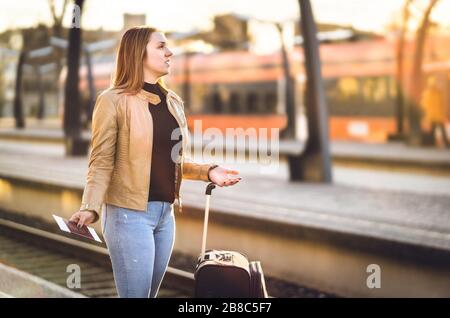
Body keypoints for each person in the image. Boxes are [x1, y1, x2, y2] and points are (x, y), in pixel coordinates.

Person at [69, 26, 241, 298]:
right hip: (128, 216)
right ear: (139, 54)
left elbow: (171, 161)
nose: (169, 52)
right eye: (161, 46)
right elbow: (101, 162)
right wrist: (90, 207)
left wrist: (210, 171)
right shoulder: (112, 101)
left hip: (165, 216)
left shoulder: (172, 102)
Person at [420, 76, 449, 148]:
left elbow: (424, 106)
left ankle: (432, 144)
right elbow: (441, 105)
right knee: (441, 131)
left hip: (433, 116)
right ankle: (445, 144)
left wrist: (425, 117)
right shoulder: (437, 93)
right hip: (436, 116)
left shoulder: (427, 93)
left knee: (434, 131)